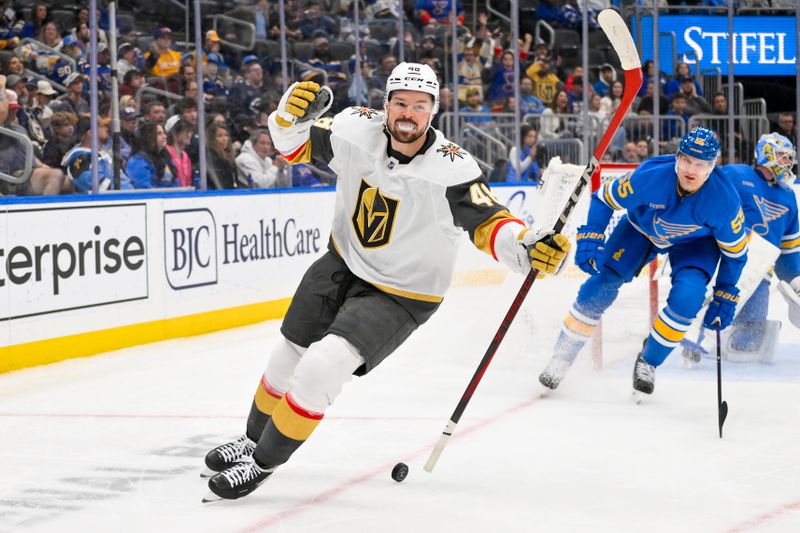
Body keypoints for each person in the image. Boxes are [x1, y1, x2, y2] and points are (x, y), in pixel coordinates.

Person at [201, 62, 571, 502]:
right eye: (400, 103)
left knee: (322, 367)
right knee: (288, 355)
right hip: (341, 262)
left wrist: (527, 245)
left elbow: (491, 222)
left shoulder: (453, 169)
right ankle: (250, 440)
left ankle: (262, 464)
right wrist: (285, 118)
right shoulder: (355, 128)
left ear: (434, 110)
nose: (408, 113)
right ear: (386, 105)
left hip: (402, 293)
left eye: (419, 105)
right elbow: (294, 146)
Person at [537, 127, 748, 399]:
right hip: (641, 229)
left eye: (700, 164)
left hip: (695, 243)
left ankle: (649, 361)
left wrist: (726, 292)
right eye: (686, 160)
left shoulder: (724, 200)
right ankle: (562, 357)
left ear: (712, 166)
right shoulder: (650, 176)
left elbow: (735, 253)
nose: (691, 170)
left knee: (688, 299)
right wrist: (592, 234)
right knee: (600, 285)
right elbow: (604, 198)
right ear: (677, 158)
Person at [682, 133, 800, 363]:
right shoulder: (735, 174)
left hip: (760, 273)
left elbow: (789, 250)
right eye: (782, 158)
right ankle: (693, 338)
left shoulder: (788, 197)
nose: (787, 164)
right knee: (707, 302)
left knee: (748, 340)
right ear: (766, 155)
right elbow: (705, 198)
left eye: (789, 159)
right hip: (727, 259)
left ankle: (729, 352)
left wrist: (796, 282)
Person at [62, 116, 132, 192]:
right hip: (113, 199)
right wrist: (125, 190)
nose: (106, 129)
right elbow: (96, 185)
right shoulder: (82, 157)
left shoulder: (100, 153)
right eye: (101, 126)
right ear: (91, 132)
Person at [126, 121, 179, 188]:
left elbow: (175, 184)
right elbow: (144, 190)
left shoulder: (166, 157)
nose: (164, 136)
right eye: (159, 134)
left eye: (164, 133)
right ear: (148, 137)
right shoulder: (137, 161)